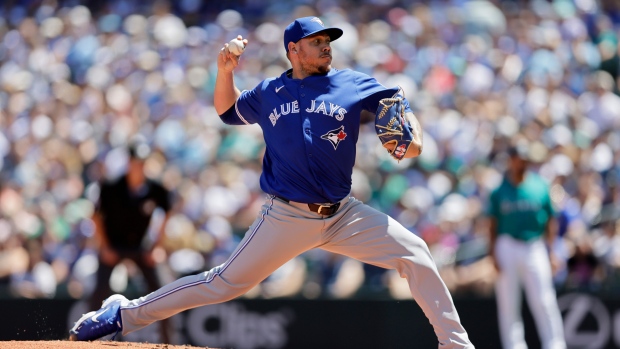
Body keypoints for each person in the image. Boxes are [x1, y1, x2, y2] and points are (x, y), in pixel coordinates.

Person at [70, 16, 474, 348]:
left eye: (328, 41)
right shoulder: (270, 92)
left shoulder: (351, 83)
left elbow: (397, 104)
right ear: (293, 50)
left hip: (343, 213)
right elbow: (227, 110)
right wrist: (224, 72)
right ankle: (121, 313)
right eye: (317, 41)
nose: (327, 46)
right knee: (221, 285)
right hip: (288, 216)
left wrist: (413, 133)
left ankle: (455, 344)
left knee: (415, 251)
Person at [88, 139, 172, 343]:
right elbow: (96, 217)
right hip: (114, 245)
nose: (140, 166)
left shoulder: (156, 189)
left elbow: (167, 214)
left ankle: (168, 341)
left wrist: (157, 247)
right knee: (98, 292)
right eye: (136, 162)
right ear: (129, 163)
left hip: (140, 247)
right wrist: (104, 246)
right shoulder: (110, 186)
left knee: (163, 292)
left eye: (143, 162)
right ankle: (87, 339)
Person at [487, 142, 566, 349]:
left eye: (523, 159)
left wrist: (552, 251)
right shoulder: (499, 190)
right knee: (508, 304)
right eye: (516, 158)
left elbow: (550, 220)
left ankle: (555, 345)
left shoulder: (540, 186)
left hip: (534, 244)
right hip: (507, 244)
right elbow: (492, 225)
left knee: (544, 300)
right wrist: (492, 254)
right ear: (511, 160)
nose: (520, 162)